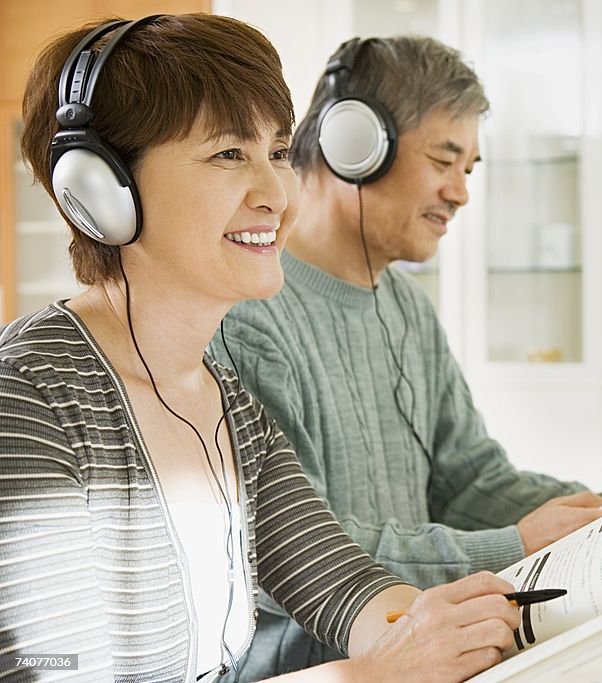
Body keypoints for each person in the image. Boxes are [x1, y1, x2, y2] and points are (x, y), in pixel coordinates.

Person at [0, 15, 520, 681]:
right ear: (102, 189)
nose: (276, 194)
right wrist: (371, 674)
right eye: (228, 155)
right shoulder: (29, 396)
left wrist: (447, 624)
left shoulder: (224, 399)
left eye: (276, 153)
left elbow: (343, 587)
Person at [210, 35, 602, 679]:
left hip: (443, 655)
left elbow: (470, 479)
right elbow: (293, 558)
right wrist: (514, 545)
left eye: (469, 169)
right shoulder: (249, 319)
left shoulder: (406, 306)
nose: (460, 192)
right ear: (355, 147)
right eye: (445, 159)